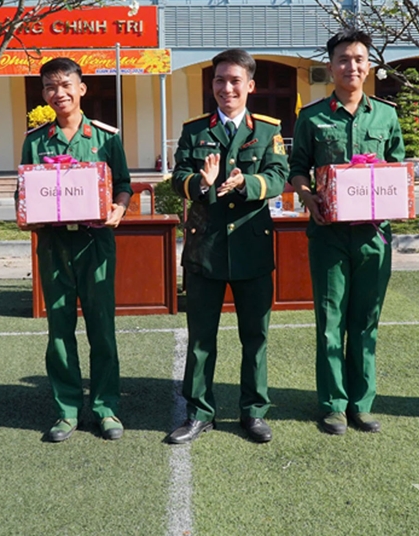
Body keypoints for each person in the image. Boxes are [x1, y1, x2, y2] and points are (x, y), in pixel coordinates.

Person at [166, 48, 288, 445]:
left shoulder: (267, 131)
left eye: (235, 80)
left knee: (255, 337)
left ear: (250, 86)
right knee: (201, 337)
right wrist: (201, 183)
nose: (227, 88)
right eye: (220, 80)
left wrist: (246, 184)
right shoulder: (195, 130)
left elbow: (278, 175)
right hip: (206, 249)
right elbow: (178, 177)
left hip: (252, 247)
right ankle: (199, 413)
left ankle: (253, 411)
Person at [288, 30, 404, 436]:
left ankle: (362, 403)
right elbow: (297, 168)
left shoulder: (386, 116)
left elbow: (397, 168)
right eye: (343, 59)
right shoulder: (312, 117)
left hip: (374, 235)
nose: (351, 66)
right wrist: (308, 197)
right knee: (330, 319)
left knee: (367, 319)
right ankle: (334, 404)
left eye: (358, 58)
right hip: (329, 234)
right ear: (330, 66)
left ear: (368, 65)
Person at [18, 57, 132, 443]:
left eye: (66, 85)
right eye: (51, 87)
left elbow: (123, 185)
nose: (59, 93)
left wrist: (119, 208)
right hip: (53, 245)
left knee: (102, 328)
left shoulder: (105, 137)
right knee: (59, 329)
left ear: (81, 88)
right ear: (43, 93)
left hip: (95, 243)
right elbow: (24, 191)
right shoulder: (35, 141)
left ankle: (105, 407)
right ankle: (66, 410)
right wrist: (25, 213)